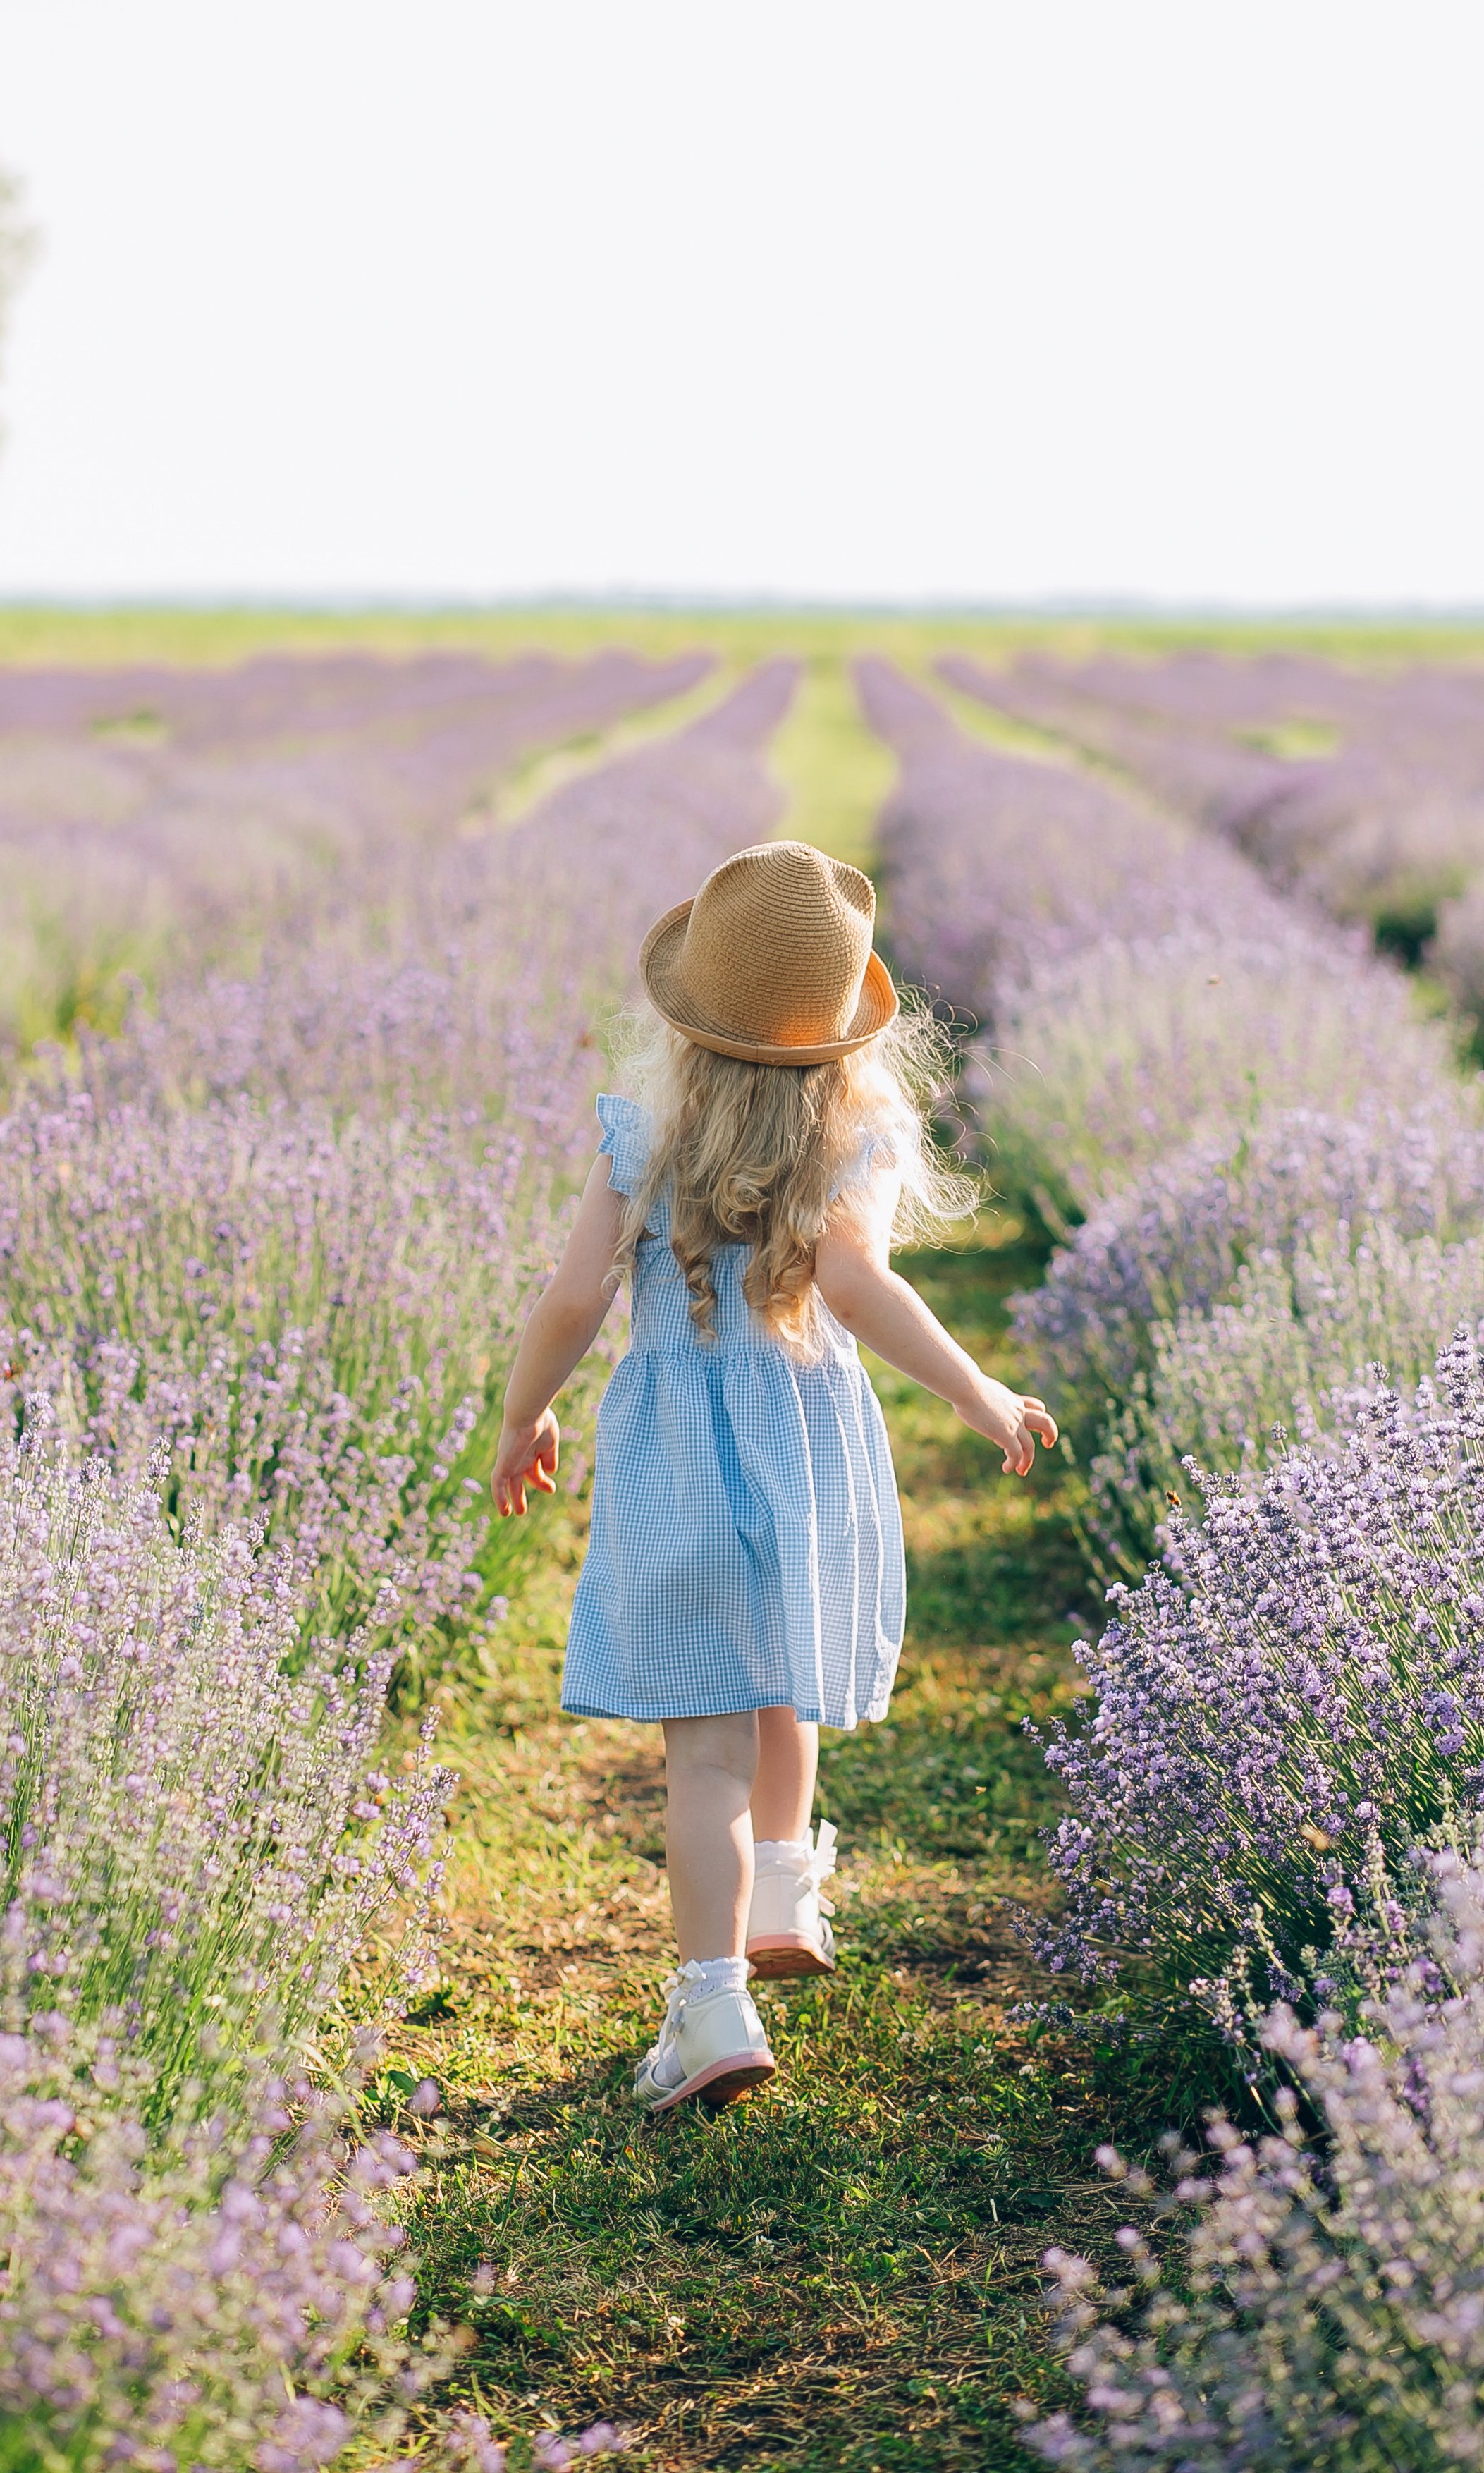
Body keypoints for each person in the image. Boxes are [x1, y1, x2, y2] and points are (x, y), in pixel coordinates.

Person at [489, 841, 1056, 2113]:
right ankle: (788, 1880)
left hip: (678, 1455)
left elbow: (575, 1295)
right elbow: (860, 1282)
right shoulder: (862, 1134)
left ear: (693, 1016)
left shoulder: (644, 1135)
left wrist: (526, 1417)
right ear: (845, 1029)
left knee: (704, 1757)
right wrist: (979, 1395)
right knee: (783, 1660)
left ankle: (711, 2006)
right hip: (805, 1451)